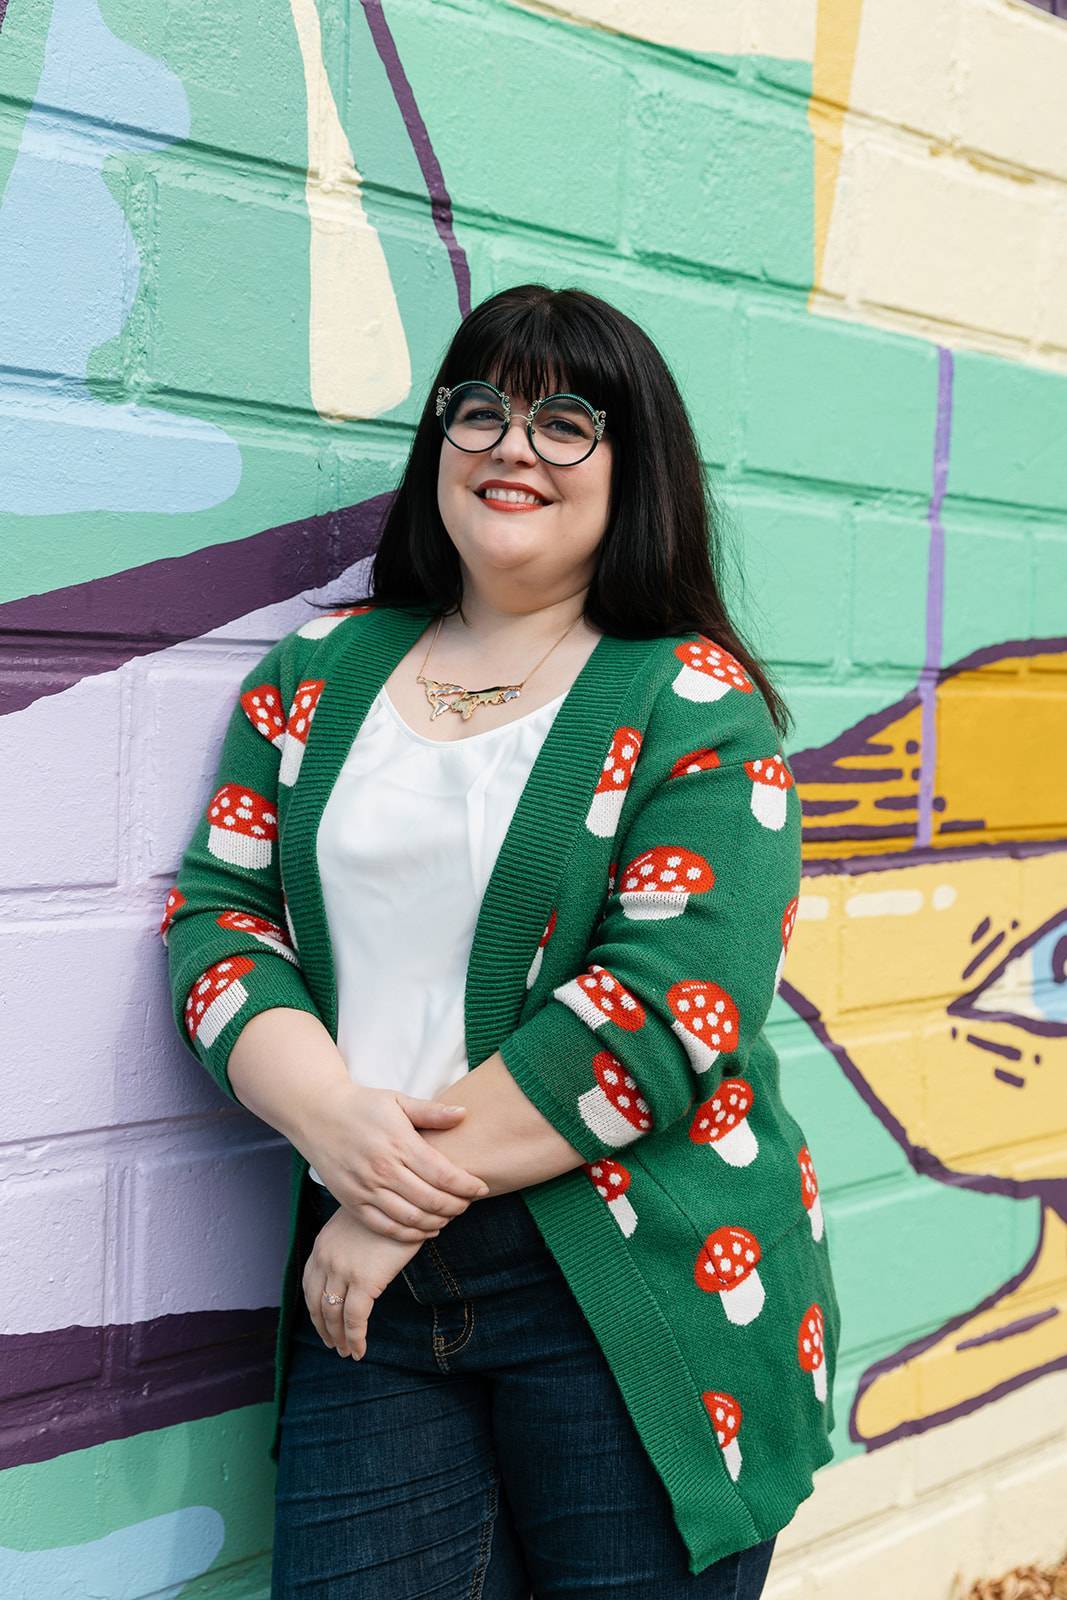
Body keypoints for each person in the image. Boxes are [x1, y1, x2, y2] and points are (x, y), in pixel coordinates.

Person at [163, 283, 841, 1598]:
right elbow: (219, 918)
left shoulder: (693, 700)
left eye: (567, 423)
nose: (512, 447)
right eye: (481, 411)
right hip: (374, 1293)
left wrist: (391, 1202)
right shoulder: (313, 676)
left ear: (632, 467)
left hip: (633, 1283)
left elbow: (665, 1009)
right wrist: (336, 1132)